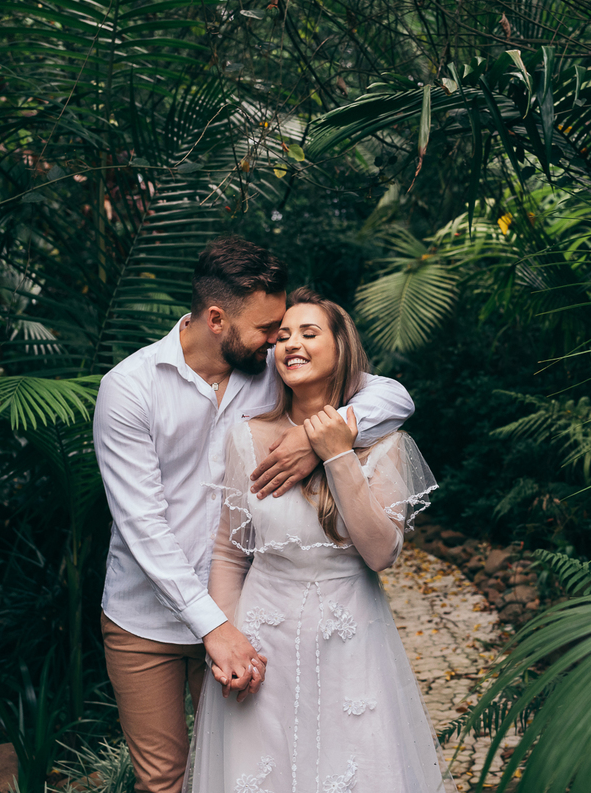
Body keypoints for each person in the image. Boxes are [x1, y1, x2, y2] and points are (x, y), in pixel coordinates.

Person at [93, 238, 415, 793]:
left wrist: (319, 441)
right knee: (166, 780)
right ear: (217, 319)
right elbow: (142, 528)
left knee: (234, 772)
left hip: (242, 607)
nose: (279, 339)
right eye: (270, 328)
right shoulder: (129, 389)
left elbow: (394, 397)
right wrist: (217, 629)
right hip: (147, 618)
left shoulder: (268, 367)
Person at [184, 288, 448, 793]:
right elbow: (227, 552)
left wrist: (334, 452)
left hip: (352, 638)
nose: (291, 344)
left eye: (309, 333)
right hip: (263, 636)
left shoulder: (385, 441)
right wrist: (229, 645)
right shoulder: (247, 437)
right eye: (282, 336)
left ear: (340, 349)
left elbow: (380, 553)